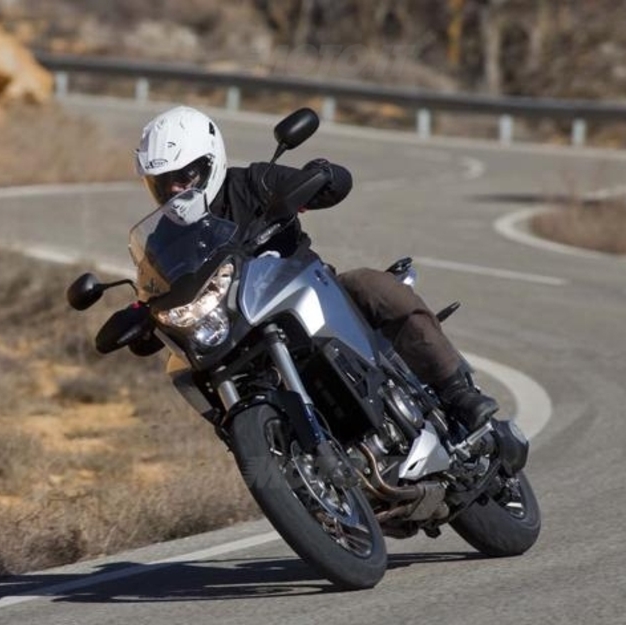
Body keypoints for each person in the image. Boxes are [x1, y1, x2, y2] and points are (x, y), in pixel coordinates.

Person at [134, 105, 498, 430]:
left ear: (210, 162)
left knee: (370, 285)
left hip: (312, 295)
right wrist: (140, 315)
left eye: (184, 176)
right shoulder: (163, 238)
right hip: (239, 331)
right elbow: (158, 289)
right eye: (162, 183)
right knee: (195, 371)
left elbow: (336, 184)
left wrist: (321, 176)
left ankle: (457, 391)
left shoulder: (253, 183)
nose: (174, 190)